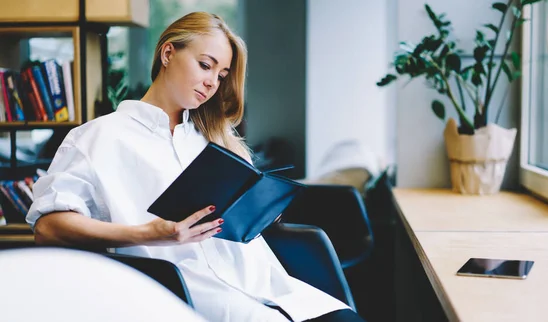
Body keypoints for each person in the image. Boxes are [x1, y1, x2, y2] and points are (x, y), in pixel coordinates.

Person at [25, 12, 366, 322]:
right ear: (168, 53)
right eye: (205, 65)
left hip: (265, 284)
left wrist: (258, 211)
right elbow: (49, 227)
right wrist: (148, 233)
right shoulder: (96, 138)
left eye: (221, 75)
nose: (211, 83)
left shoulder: (212, 140)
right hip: (183, 294)